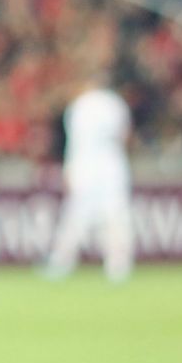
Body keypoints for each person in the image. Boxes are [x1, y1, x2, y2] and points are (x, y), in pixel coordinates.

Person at [42, 79, 134, 283]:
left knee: (76, 215)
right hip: (113, 164)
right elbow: (125, 136)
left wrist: (68, 170)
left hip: (85, 165)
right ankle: (118, 265)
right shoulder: (114, 102)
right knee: (116, 214)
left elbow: (74, 143)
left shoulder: (79, 106)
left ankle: (61, 263)